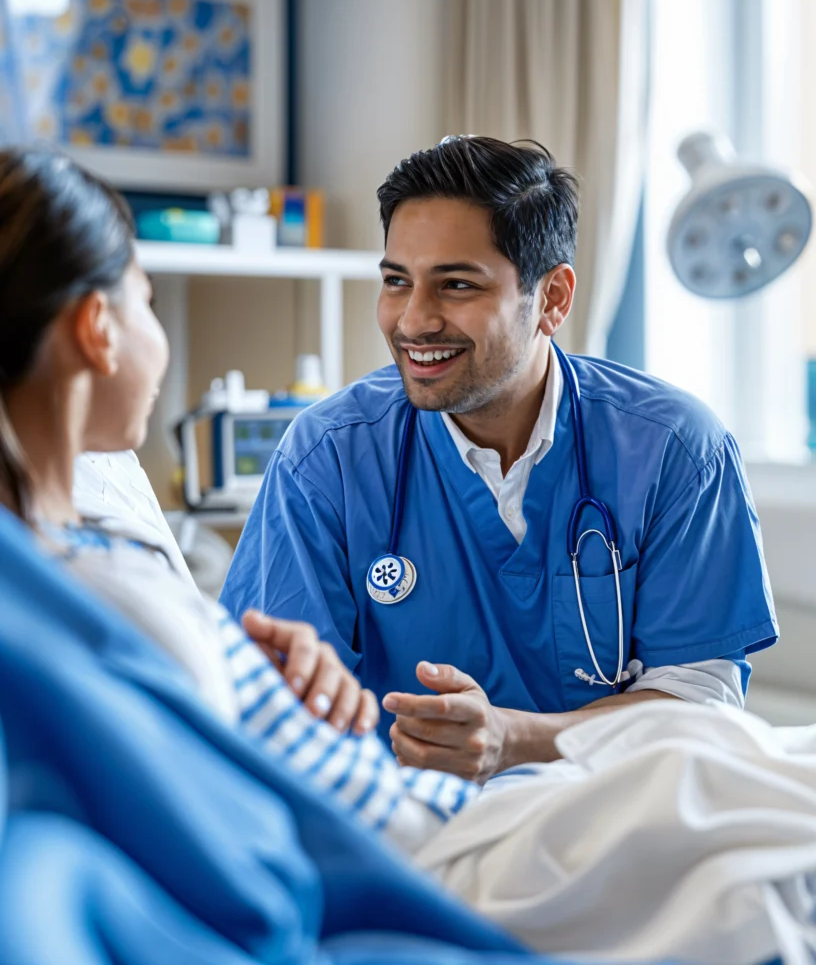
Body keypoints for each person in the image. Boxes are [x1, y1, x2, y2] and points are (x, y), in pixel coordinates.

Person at [221, 136, 778, 783]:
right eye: (397, 282)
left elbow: (699, 708)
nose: (414, 320)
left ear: (554, 298)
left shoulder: (676, 451)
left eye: (457, 285)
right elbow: (273, 703)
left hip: (614, 819)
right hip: (409, 827)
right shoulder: (327, 459)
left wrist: (514, 739)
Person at [0, 146, 477, 852]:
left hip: (392, 801)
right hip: (404, 844)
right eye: (148, 301)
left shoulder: (77, 545)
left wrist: (244, 661)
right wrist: (212, 656)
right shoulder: (86, 596)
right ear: (96, 329)